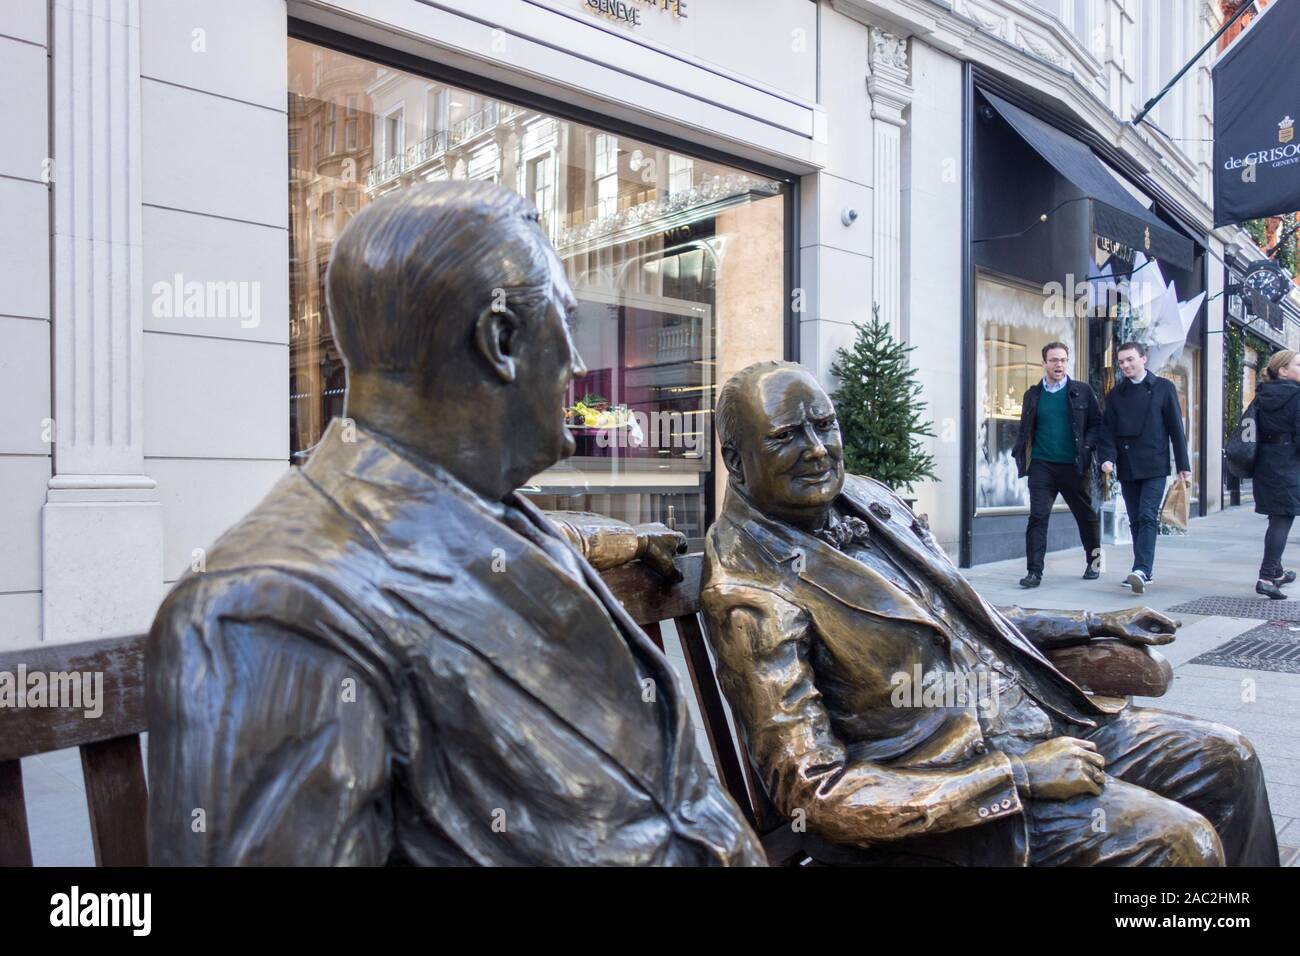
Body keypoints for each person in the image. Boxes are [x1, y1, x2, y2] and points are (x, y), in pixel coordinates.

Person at [146, 182, 764, 866]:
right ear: (499, 339)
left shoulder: (492, 511)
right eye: (566, 323)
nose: (581, 366)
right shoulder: (271, 608)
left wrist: (633, 541)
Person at [701, 360, 1279, 866]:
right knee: (1182, 845)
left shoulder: (867, 497)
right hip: (953, 790)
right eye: (786, 437)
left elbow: (970, 616)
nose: (819, 450)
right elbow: (814, 794)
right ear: (735, 458)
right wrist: (1018, 779)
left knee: (1231, 758)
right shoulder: (748, 590)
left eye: (824, 425)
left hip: (1043, 721)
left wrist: (1093, 622)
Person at [1098, 341, 1191, 594]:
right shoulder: (1116, 394)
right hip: (1127, 465)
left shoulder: (1163, 388)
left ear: (1144, 359)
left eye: (1130, 359)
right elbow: (1108, 431)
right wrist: (1107, 457)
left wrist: (1183, 464)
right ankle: (1142, 569)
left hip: (1154, 464)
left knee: (1147, 515)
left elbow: (1175, 429)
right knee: (1135, 520)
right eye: (1122, 362)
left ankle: (1141, 569)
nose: (1126, 365)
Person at [1011, 341, 1104, 588]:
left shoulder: (1082, 391)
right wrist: (1019, 453)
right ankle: (1034, 572)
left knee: (1086, 515)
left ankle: (1094, 563)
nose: (1059, 364)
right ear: (1044, 364)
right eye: (1053, 360)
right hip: (1042, 466)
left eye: (1063, 360)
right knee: (1038, 517)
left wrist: (1087, 449)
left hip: (1073, 465)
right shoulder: (1032, 395)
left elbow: (1096, 424)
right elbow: (1026, 429)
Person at [1250, 349, 1300, 599]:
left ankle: (1277, 572)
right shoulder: (1297, 396)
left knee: (1276, 517)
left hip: (1265, 463)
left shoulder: (1262, 394)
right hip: (1289, 463)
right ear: (1283, 370)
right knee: (1283, 518)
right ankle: (1267, 576)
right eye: (1299, 364)